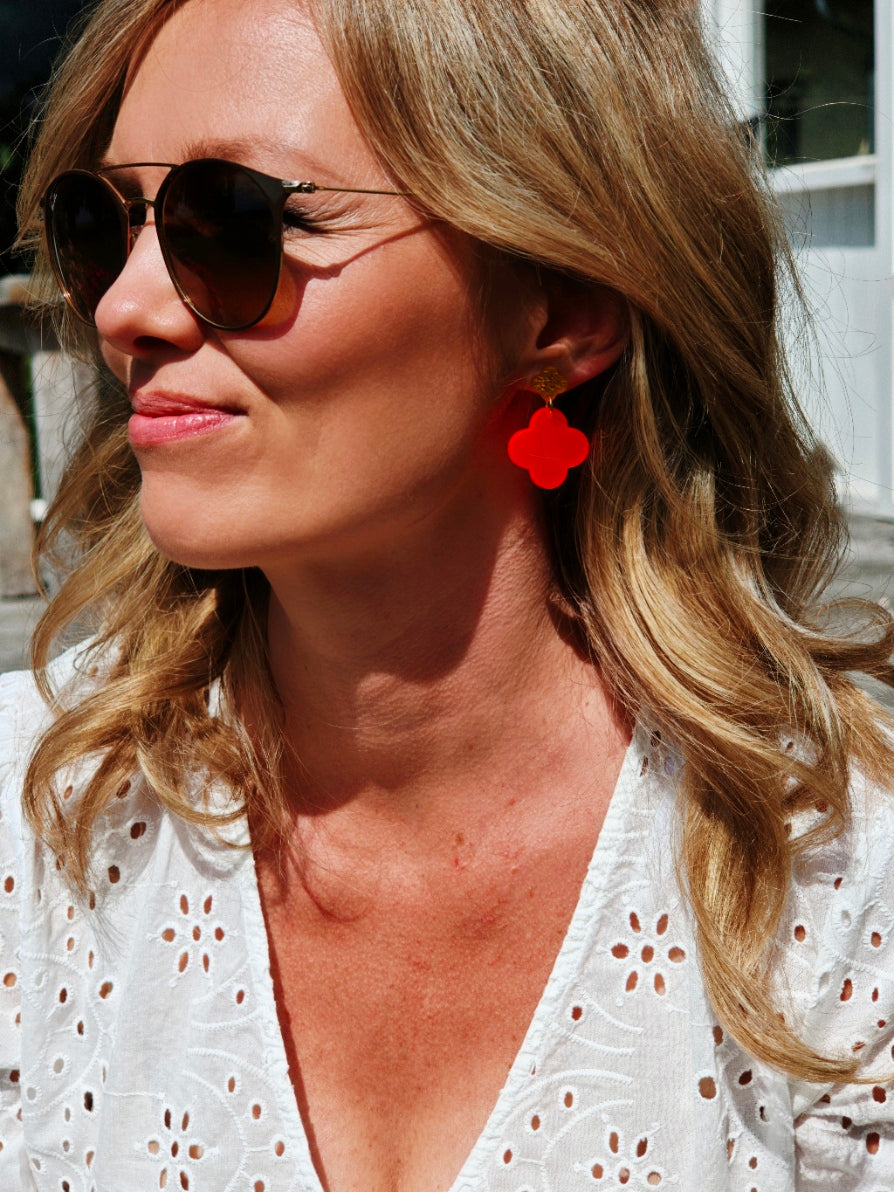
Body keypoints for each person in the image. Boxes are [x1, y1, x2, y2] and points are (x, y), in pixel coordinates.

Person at [2, 0, 893, 1187]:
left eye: (232, 221)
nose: (124, 308)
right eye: (101, 224)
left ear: (561, 308)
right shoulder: (38, 823)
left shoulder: (836, 881)